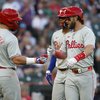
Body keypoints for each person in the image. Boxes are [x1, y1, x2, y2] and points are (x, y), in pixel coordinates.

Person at [46, 6, 96, 100]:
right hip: (71, 74)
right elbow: (63, 54)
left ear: (76, 17)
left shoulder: (87, 32)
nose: (66, 21)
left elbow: (89, 49)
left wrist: (76, 58)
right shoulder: (68, 35)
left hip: (85, 73)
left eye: (68, 18)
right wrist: (54, 52)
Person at [0, 8, 48, 100]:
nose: (17, 22)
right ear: (9, 21)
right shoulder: (10, 37)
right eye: (15, 20)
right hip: (7, 74)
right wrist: (36, 60)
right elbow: (16, 59)